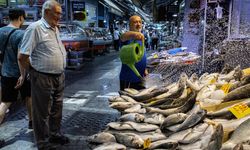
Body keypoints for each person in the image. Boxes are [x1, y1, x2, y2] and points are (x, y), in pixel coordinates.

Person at [18, 0, 69, 149]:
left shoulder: (54, 28)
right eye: (57, 13)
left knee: (57, 109)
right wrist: (33, 72)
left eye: (60, 13)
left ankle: (54, 134)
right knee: (41, 112)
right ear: (47, 12)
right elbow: (22, 56)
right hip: (42, 76)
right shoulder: (35, 28)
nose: (60, 16)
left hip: (59, 76)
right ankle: (42, 142)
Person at [0, 8, 32, 129]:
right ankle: (32, 122)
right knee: (29, 97)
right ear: (20, 18)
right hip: (19, 74)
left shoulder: (0, 31)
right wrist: (23, 75)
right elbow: (21, 57)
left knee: (5, 103)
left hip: (5, 73)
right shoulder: (21, 34)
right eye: (24, 18)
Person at [119, 15, 148, 90]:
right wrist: (134, 34)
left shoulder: (140, 38)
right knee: (127, 100)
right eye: (135, 22)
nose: (138, 24)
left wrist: (145, 69)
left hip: (140, 78)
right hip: (128, 79)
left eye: (140, 22)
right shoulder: (128, 37)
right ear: (129, 25)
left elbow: (141, 55)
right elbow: (122, 37)